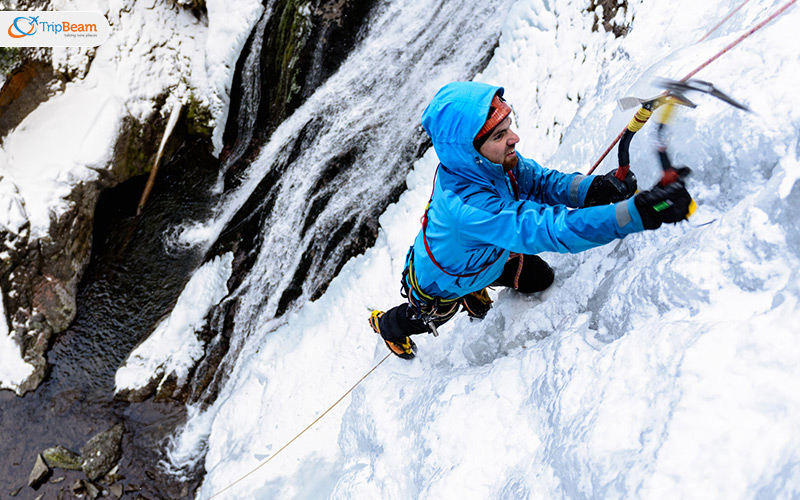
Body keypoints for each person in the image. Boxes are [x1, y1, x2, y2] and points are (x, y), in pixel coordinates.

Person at [369, 81, 693, 359]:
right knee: (428, 317)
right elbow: (551, 229)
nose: (514, 139)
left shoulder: (493, 162)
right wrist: (639, 213)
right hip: (441, 282)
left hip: (486, 255)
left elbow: (540, 182)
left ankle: (473, 292)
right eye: (499, 135)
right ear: (471, 150)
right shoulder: (468, 208)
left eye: (508, 126)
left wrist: (593, 189)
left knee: (540, 279)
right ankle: (387, 326)